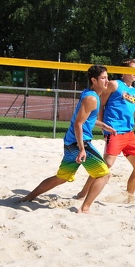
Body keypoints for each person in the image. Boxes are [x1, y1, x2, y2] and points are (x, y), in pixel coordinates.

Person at [19, 65, 111, 214]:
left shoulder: (90, 95)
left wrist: (104, 125)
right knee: (104, 174)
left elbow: (85, 119)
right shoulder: (92, 98)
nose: (107, 81)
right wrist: (81, 149)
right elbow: (78, 124)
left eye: (107, 77)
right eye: (103, 78)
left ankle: (29, 197)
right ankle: (85, 208)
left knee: (61, 178)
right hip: (79, 143)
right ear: (94, 80)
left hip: (70, 142)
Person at [76, 58, 135, 203]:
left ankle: (128, 196)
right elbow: (100, 105)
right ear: (124, 71)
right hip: (114, 132)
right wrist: (104, 127)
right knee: (106, 165)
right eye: (131, 70)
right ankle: (83, 192)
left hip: (129, 134)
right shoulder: (115, 84)